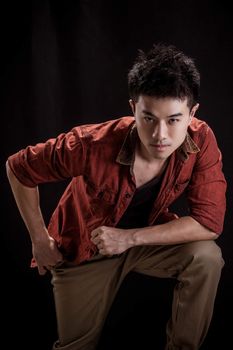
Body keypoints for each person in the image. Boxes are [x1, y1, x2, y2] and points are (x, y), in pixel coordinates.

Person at [6, 43, 226, 350]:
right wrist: (40, 241)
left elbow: (209, 223)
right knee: (75, 346)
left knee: (207, 257)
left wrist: (130, 238)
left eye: (174, 120)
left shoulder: (202, 139)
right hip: (84, 250)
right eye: (148, 118)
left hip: (146, 240)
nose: (160, 135)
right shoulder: (91, 144)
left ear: (192, 114)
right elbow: (18, 168)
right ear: (133, 108)